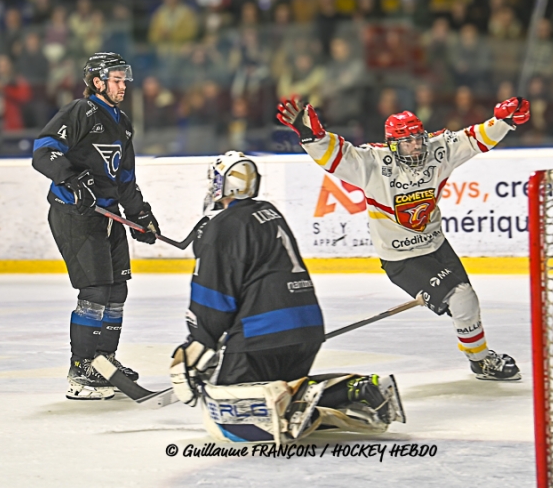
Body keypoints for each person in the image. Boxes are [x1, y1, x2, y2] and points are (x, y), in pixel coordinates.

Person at [277, 95, 531, 381]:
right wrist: (313, 136)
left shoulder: (437, 151)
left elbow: (473, 140)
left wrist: (504, 121)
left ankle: (477, 358)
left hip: (437, 246)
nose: (415, 146)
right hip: (402, 259)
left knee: (466, 305)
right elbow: (338, 157)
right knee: (462, 299)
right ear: (392, 144)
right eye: (407, 142)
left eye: (418, 139)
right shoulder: (373, 163)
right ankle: (482, 360)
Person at [169, 151, 405, 443]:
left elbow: (214, 296)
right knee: (279, 387)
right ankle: (356, 390)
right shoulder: (269, 212)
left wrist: (197, 348)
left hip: (262, 335)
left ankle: (289, 402)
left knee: (233, 422)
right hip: (305, 331)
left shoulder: (224, 226)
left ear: (222, 184)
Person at [32, 52, 162, 400]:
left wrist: (141, 216)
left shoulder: (122, 122)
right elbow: (44, 151)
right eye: (116, 79)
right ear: (97, 82)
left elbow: (125, 182)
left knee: (117, 289)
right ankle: (82, 368)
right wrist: (71, 182)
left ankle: (104, 361)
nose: (123, 85)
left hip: (107, 214)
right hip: (75, 215)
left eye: (124, 79)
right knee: (94, 291)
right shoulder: (80, 111)